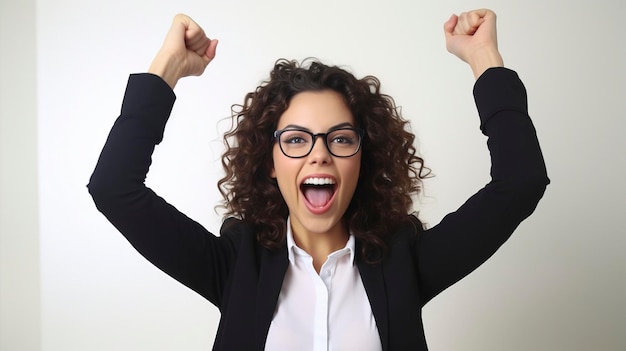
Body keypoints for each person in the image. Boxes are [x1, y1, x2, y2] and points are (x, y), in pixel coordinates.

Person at [88, 9, 549, 351]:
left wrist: (484, 57)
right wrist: (167, 69)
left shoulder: (403, 263)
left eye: (341, 139)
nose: (320, 155)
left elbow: (521, 181)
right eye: (296, 139)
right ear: (270, 162)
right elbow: (114, 188)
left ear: (362, 159)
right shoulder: (235, 265)